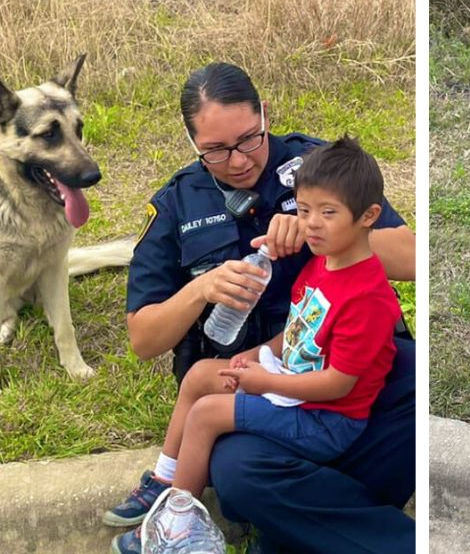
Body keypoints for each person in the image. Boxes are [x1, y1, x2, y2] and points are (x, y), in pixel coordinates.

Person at [117, 63, 415, 553]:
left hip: (335, 365)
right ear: (192, 143)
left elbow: (410, 255)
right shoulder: (177, 204)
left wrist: (323, 237)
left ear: (264, 115)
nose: (237, 160)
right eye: (215, 150)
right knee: (238, 472)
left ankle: (289, 532)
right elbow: (143, 339)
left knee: (411, 374)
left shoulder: (320, 171)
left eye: (249, 139)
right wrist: (201, 290)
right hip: (257, 380)